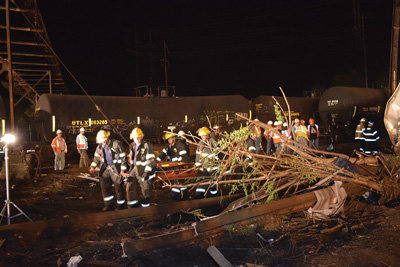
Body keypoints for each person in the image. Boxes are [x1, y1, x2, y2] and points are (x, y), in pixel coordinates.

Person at [89, 130, 126, 211]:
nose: (102, 143)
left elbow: (124, 158)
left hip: (115, 169)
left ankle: (121, 206)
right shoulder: (99, 146)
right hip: (105, 168)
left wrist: (122, 170)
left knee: (118, 187)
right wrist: (92, 167)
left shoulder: (116, 144)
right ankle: (109, 204)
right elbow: (96, 158)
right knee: (105, 187)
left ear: (107, 138)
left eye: (103, 141)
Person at [125, 128, 155, 208]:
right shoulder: (132, 146)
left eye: (139, 138)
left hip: (143, 170)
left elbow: (151, 160)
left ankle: (145, 207)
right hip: (134, 169)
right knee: (129, 186)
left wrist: (147, 172)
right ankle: (132, 206)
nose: (138, 140)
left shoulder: (147, 145)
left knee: (144, 189)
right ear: (133, 138)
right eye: (136, 138)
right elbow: (132, 159)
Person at [157, 132, 189, 198]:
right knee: (175, 181)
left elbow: (184, 158)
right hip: (173, 167)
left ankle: (184, 195)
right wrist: (156, 161)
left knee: (181, 182)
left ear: (174, 138)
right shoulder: (168, 147)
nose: (169, 140)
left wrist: (181, 166)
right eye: (168, 139)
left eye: (170, 139)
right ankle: (175, 195)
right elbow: (162, 155)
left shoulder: (180, 146)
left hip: (180, 167)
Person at [195, 126, 218, 198]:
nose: (202, 137)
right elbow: (198, 156)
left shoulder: (212, 141)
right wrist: (197, 165)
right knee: (202, 182)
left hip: (212, 168)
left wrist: (212, 164)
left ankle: (213, 197)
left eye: (204, 135)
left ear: (207, 135)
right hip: (203, 168)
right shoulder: (200, 143)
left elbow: (218, 151)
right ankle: (199, 196)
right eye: (201, 136)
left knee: (213, 184)